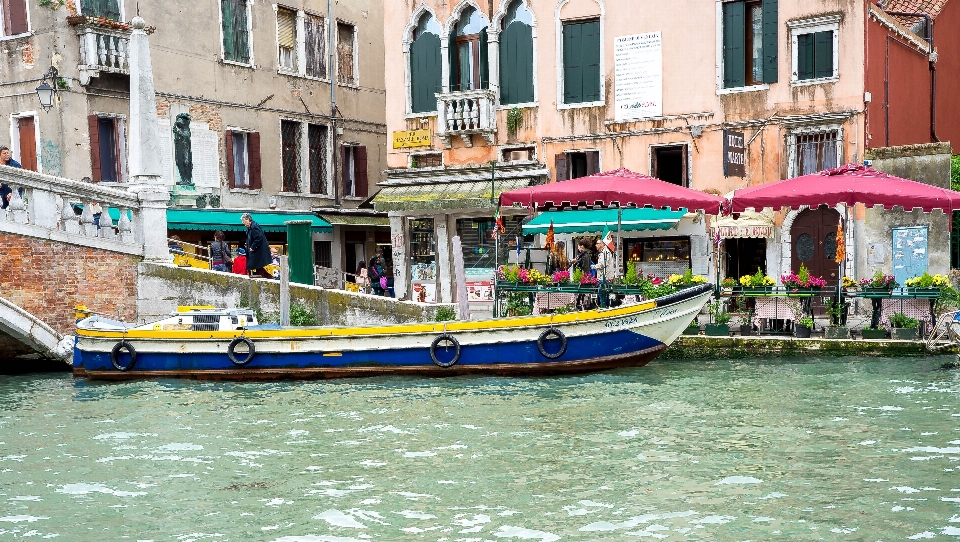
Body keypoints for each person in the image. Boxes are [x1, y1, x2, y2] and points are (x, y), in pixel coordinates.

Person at [241, 212, 271, 278]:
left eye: (243, 221)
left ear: (247, 219)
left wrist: (252, 247)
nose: (243, 223)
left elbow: (258, 237)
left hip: (258, 250)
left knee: (257, 265)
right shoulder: (250, 227)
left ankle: (266, 277)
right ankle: (268, 277)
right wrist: (248, 244)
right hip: (256, 249)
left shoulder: (254, 226)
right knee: (257, 265)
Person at [592, 238, 617, 307]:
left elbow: (602, 265)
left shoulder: (604, 252)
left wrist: (593, 266)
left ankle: (604, 307)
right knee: (605, 293)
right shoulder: (605, 252)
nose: (595, 245)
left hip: (605, 277)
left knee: (602, 293)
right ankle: (606, 306)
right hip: (606, 277)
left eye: (597, 244)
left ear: (602, 244)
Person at [0, 146, 21, 210]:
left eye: (8, 153)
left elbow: (20, 182)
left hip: (10, 193)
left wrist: (13, 193)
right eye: (4, 153)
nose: (7, 155)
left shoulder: (15, 165)